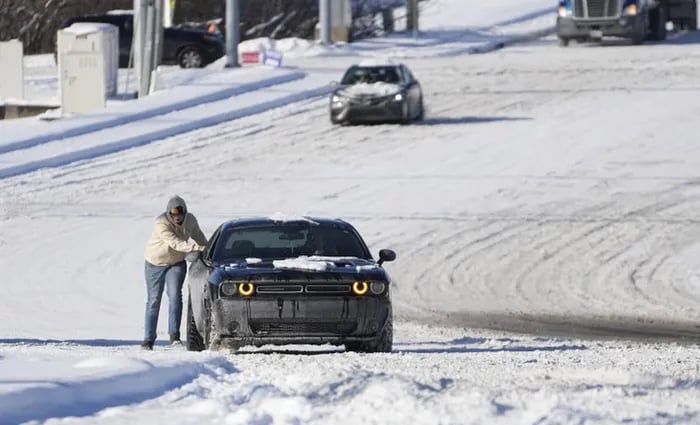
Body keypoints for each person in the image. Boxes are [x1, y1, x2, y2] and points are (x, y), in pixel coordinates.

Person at [142, 195, 208, 350]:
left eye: (180, 215)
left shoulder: (190, 220)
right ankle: (148, 339)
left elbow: (198, 235)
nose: (177, 218)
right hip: (155, 264)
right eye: (174, 215)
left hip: (176, 263)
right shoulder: (161, 223)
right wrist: (195, 248)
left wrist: (206, 248)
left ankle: (174, 336)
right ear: (168, 214)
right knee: (154, 300)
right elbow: (175, 243)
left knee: (175, 296)